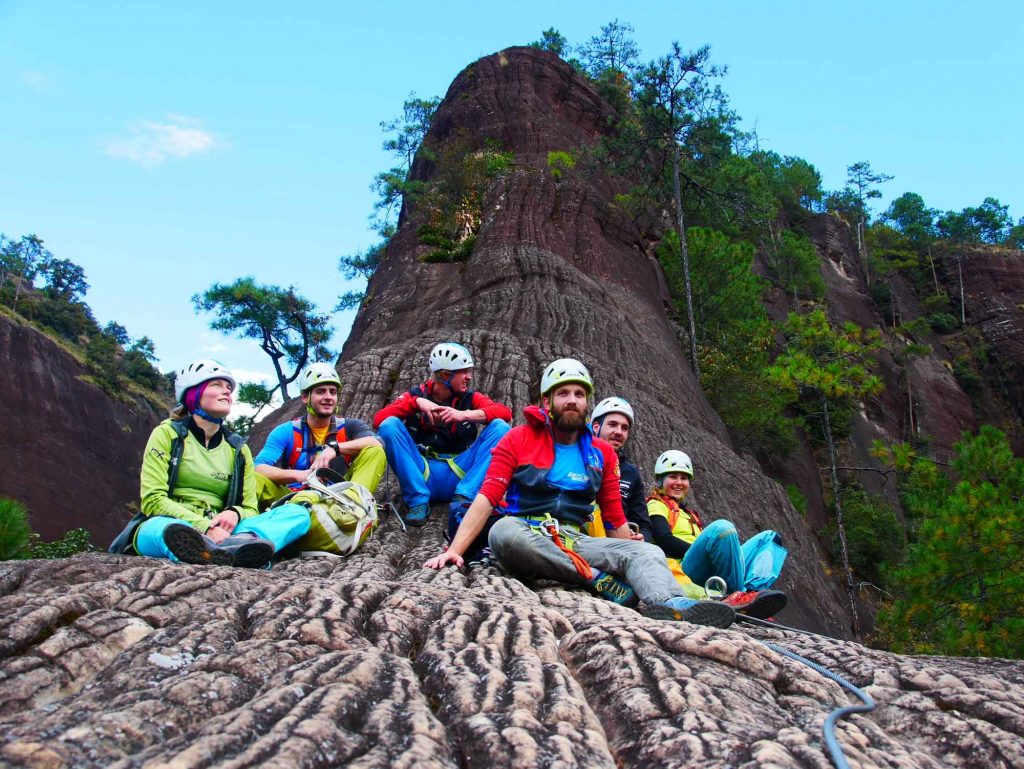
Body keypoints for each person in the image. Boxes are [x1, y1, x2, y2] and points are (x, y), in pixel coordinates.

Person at [425, 358, 736, 628]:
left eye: (579, 394)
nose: (572, 400)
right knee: (503, 531)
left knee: (647, 552)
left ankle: (672, 604)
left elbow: (614, 518)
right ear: (547, 402)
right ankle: (593, 578)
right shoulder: (518, 439)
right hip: (526, 534)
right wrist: (456, 550)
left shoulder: (602, 453)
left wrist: (628, 555)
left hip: (574, 540)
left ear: (587, 403)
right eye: (563, 393)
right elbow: (486, 498)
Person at [109, 359, 311, 567]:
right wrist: (204, 526)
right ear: (192, 393)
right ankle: (218, 549)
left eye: (229, 388)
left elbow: (250, 507)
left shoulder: (238, 449)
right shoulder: (167, 434)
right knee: (167, 531)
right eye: (217, 385)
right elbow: (153, 500)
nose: (227, 392)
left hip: (224, 530)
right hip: (169, 521)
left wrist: (235, 513)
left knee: (297, 514)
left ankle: (234, 545)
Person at [374, 341, 511, 527]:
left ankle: (466, 495)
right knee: (389, 426)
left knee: (500, 428)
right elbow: (379, 420)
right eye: (464, 372)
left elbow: (505, 413)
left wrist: (463, 415)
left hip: (460, 471)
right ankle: (417, 500)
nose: (469, 377)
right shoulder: (417, 394)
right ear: (446, 375)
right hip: (423, 472)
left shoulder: (470, 398)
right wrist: (416, 403)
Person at [648, 450, 788, 618]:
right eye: (673, 477)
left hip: (707, 568)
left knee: (769, 538)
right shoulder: (656, 504)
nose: (679, 482)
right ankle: (738, 595)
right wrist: (707, 550)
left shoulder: (688, 513)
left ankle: (752, 593)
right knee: (722, 528)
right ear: (660, 480)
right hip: (685, 568)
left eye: (684, 478)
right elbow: (664, 540)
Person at [253, 362, 385, 507]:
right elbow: (258, 467)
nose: (328, 397)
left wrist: (335, 448)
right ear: (305, 397)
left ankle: (353, 505)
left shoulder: (350, 426)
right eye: (321, 392)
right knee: (256, 479)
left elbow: (377, 442)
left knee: (375, 451)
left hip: (338, 499)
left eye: (333, 392)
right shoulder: (286, 431)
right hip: (293, 498)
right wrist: (301, 475)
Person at [587, 397, 654, 541]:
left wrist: (642, 538)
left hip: (621, 539)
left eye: (624, 428)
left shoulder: (631, 473)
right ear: (596, 427)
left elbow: (644, 524)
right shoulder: (579, 458)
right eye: (612, 425)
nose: (619, 432)